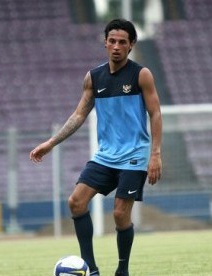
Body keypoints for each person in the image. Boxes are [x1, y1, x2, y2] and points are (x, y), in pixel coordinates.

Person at [30, 19, 162, 276]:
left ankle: (122, 271)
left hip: (135, 154)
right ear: (105, 43)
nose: (116, 46)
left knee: (120, 213)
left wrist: (155, 154)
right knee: (76, 202)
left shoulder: (141, 75)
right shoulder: (93, 77)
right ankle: (90, 269)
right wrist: (50, 143)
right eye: (112, 41)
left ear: (131, 45)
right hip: (105, 156)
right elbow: (79, 115)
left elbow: (156, 114)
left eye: (122, 42)